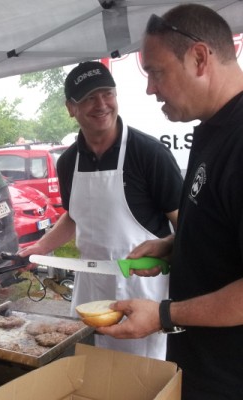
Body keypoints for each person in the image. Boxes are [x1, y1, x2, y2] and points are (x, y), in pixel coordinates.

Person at [98, 4, 243, 398]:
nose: (150, 89)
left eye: (156, 72)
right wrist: (172, 246)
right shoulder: (210, 130)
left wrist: (163, 314)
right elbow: (223, 229)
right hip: (199, 366)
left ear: (198, 58)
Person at [19, 61, 182, 360]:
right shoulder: (68, 162)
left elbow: (186, 225)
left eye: (107, 93)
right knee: (97, 371)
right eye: (89, 98)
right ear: (71, 108)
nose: (101, 104)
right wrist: (41, 246)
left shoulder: (149, 154)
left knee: (145, 375)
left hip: (142, 291)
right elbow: (75, 215)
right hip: (92, 290)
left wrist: (170, 253)